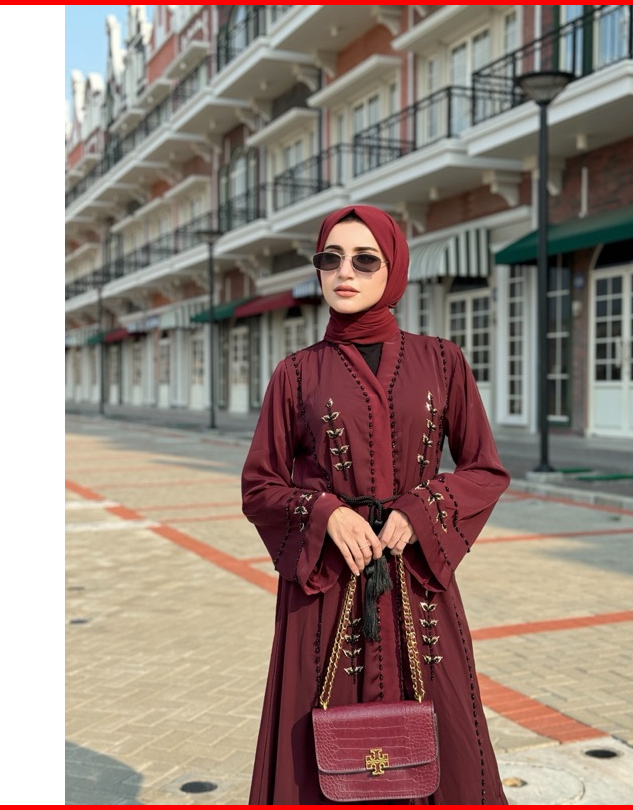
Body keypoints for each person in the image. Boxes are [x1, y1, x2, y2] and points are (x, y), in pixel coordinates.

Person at [242, 204, 511, 805]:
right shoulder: (295, 374)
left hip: (415, 581)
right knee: (318, 754)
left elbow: (484, 470)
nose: (345, 272)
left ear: (394, 270)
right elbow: (260, 484)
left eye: (365, 260)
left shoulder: (442, 361)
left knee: (442, 742)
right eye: (330, 258)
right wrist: (324, 513)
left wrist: (421, 510)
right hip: (326, 585)